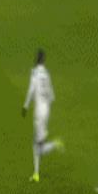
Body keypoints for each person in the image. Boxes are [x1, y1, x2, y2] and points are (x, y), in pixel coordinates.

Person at [22, 50, 63, 182]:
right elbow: (51, 95)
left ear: (36, 59)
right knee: (37, 144)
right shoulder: (46, 74)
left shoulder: (35, 74)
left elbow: (31, 91)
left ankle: (55, 144)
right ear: (43, 60)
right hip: (46, 110)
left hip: (39, 112)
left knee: (38, 147)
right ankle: (36, 173)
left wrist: (25, 106)